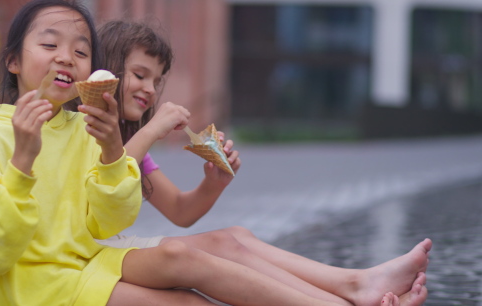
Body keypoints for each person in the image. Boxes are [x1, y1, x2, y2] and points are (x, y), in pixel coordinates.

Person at [0, 0, 428, 305]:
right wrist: (24, 161)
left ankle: (354, 290)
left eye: (80, 49)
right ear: (11, 61)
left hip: (90, 262)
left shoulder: (84, 129)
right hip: (40, 289)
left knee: (217, 249)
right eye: (50, 45)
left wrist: (118, 153)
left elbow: (110, 220)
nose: (67, 56)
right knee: (197, 273)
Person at [92, 19, 432, 305]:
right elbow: (91, 196)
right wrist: (151, 130)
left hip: (116, 248)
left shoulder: (131, 143)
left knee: (234, 235)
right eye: (140, 75)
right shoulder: (83, 131)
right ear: (105, 71)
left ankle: (354, 285)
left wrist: (213, 184)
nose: (150, 89)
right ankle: (349, 295)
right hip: (88, 252)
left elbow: (181, 212)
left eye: (156, 80)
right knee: (215, 249)